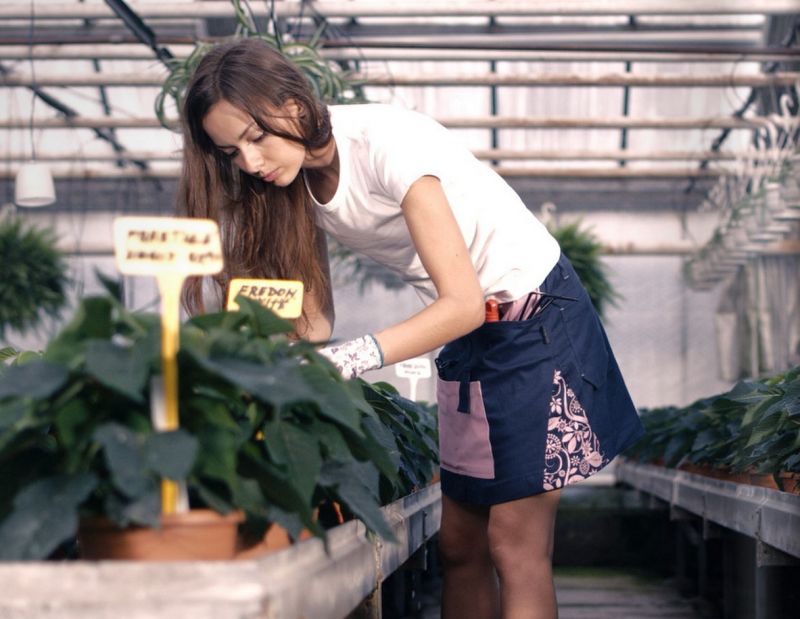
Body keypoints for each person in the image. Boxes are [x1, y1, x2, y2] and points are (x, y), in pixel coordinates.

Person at [179, 38, 645, 619]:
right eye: (231, 152)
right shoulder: (287, 182)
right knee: (459, 545)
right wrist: (266, 357)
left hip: (538, 324)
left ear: (293, 103)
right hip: (473, 342)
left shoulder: (387, 145)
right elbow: (316, 318)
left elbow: (463, 303)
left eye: (255, 137)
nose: (249, 161)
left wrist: (346, 361)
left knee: (514, 545)